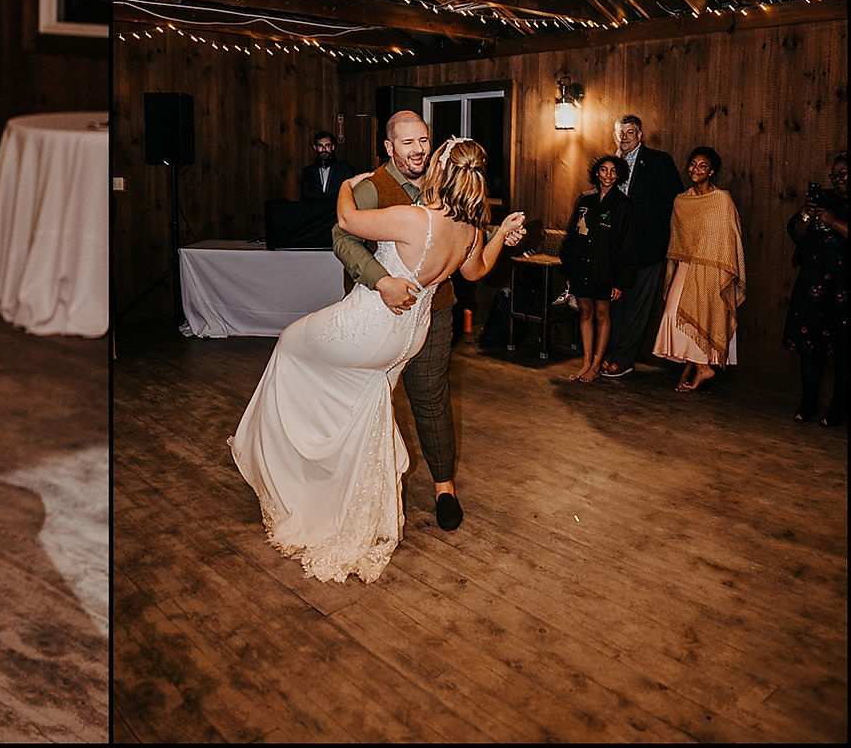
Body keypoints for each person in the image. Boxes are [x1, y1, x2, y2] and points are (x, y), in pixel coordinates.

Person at [231, 137, 527, 583]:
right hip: (406, 338)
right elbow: (476, 271)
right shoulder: (469, 230)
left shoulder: (415, 219)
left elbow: (347, 219)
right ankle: (334, 479)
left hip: (370, 328)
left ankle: (296, 468)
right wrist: (501, 234)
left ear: (441, 170)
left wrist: (349, 182)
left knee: (290, 344)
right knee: (359, 398)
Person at [330, 110, 521, 532]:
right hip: (379, 313)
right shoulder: (370, 187)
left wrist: (496, 237)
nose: (417, 150)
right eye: (407, 143)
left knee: (430, 400)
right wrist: (381, 281)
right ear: (389, 147)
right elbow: (342, 235)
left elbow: (467, 260)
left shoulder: (449, 191)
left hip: (436, 313)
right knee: (360, 398)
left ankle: (444, 489)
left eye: (423, 141)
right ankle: (350, 482)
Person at [651, 147, 746, 392]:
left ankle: (701, 367)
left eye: (702, 166)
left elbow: (729, 238)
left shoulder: (722, 199)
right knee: (674, 313)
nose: (695, 169)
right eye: (692, 164)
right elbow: (679, 238)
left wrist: (718, 264)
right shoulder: (682, 201)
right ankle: (697, 365)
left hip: (714, 267)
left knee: (705, 315)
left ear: (712, 171)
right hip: (687, 263)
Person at [600, 114, 684, 377]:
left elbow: (676, 201)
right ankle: (609, 352)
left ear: (640, 135)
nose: (625, 137)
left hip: (647, 248)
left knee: (637, 305)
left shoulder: (658, 161)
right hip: (614, 248)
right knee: (614, 303)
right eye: (620, 133)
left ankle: (624, 359)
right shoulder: (610, 165)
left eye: (630, 132)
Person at [559, 155, 637, 383]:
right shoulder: (585, 202)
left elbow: (627, 245)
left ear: (619, 175)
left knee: (603, 315)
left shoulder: (623, 205)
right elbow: (572, 236)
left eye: (613, 171)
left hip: (606, 271)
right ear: (597, 173)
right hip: (581, 269)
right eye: (604, 170)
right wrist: (568, 270)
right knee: (585, 313)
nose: (608, 175)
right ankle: (585, 362)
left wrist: (621, 281)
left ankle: (596, 364)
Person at [784, 153, 847, 426]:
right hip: (814, 285)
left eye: (844, 174)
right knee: (810, 348)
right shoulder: (825, 199)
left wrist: (833, 220)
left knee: (844, 351)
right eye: (835, 175)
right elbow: (796, 232)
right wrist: (808, 213)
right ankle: (807, 401)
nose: (838, 180)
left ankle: (837, 409)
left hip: (844, 288)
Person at [299, 129, 357, 200]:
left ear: (333, 147)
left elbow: (349, 196)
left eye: (327, 146)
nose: (324, 150)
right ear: (315, 147)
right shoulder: (308, 172)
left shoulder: (345, 169)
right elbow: (304, 198)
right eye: (320, 146)